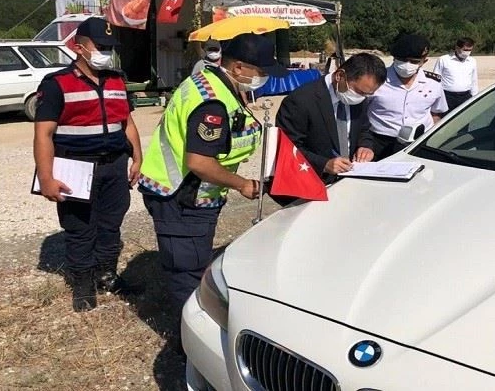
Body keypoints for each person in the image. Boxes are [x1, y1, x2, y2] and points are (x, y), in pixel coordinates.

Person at [138, 33, 287, 315]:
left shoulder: (212, 83)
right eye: (261, 71)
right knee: (188, 272)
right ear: (238, 67)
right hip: (180, 195)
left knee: (196, 260)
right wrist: (241, 184)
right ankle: (188, 332)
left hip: (190, 192)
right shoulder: (213, 103)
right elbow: (200, 162)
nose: (264, 77)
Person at [33, 18, 143, 312]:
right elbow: (43, 134)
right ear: (78, 47)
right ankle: (82, 283)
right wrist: (46, 177)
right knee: (80, 228)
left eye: (109, 47)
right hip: (76, 167)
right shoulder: (57, 84)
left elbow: (127, 122)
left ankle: (106, 275)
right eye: (100, 46)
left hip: (114, 165)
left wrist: (137, 156)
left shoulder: (117, 80)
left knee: (111, 225)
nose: (106, 52)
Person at [276, 52, 387, 183]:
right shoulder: (300, 101)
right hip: (314, 180)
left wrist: (365, 146)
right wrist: (324, 164)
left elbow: (364, 128)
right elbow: (287, 146)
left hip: (351, 175)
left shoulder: (360, 97)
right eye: (360, 92)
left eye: (368, 94)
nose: (362, 97)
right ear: (340, 76)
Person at [366, 34, 448, 159]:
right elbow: (360, 113)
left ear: (424, 61)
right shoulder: (377, 79)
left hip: (418, 142)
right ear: (394, 58)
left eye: (414, 61)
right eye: (402, 60)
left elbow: (436, 113)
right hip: (379, 142)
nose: (407, 65)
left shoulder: (433, 83)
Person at [433, 37, 478, 111]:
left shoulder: (472, 61)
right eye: (465, 50)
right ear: (457, 48)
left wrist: (475, 96)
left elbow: (474, 80)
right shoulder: (443, 60)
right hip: (447, 97)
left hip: (466, 96)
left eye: (469, 50)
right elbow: (435, 80)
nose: (467, 52)